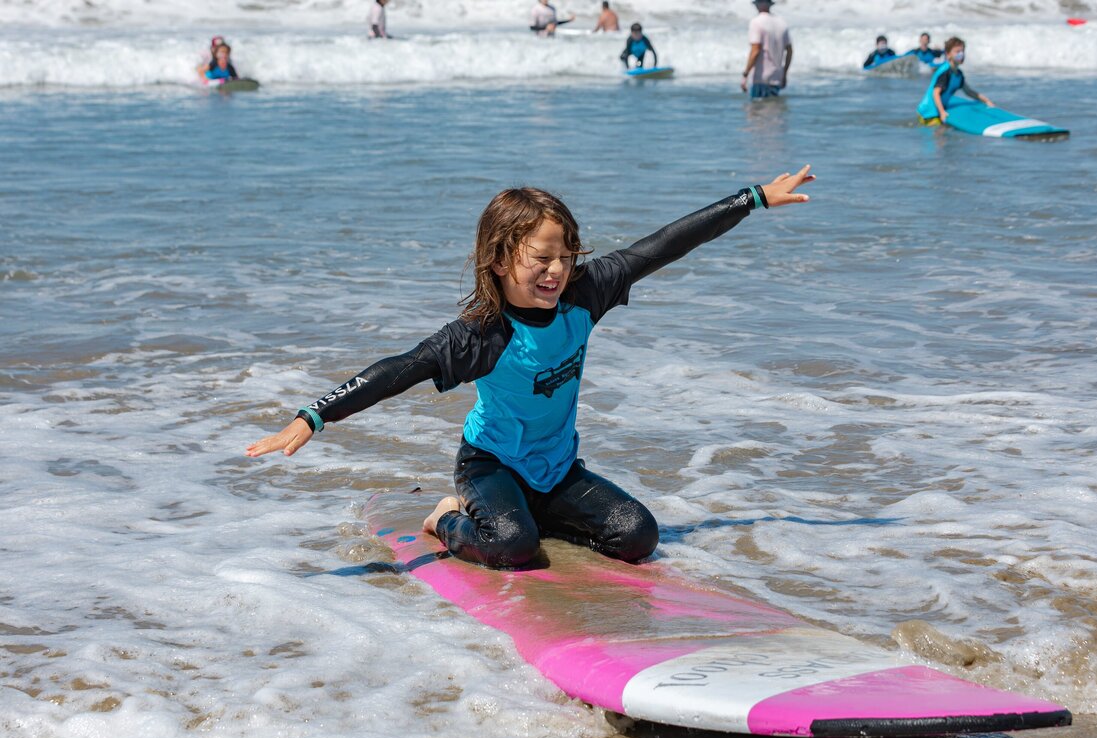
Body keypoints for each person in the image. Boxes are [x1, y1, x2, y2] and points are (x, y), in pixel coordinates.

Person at [246, 168, 817, 570]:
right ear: (498, 260)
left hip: (556, 468)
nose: (557, 271)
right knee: (512, 549)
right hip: (490, 465)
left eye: (566, 256)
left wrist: (752, 199)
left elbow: (665, 245)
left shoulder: (585, 295)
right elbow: (399, 369)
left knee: (637, 536)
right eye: (541, 258)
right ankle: (447, 518)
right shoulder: (481, 336)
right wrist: (314, 415)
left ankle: (529, 516)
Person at [917, 36, 993, 125]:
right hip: (928, 113)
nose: (961, 54)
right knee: (941, 132)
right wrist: (942, 112)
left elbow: (968, 91)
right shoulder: (945, 72)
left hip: (939, 110)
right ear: (948, 54)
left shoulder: (958, 74)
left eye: (962, 51)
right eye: (957, 52)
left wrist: (987, 101)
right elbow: (936, 93)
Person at [741, 0, 792, 98]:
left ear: (758, 4)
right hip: (777, 76)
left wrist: (745, 74)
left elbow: (755, 50)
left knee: (757, 111)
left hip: (761, 77)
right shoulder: (782, 23)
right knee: (774, 111)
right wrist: (784, 73)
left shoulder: (756, 22)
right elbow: (789, 51)